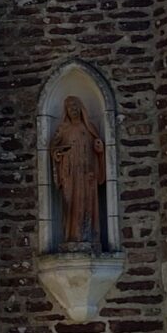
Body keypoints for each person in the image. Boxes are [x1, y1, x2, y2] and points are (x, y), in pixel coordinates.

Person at [49, 96, 106, 249]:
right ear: (66, 111)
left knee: (87, 205)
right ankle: (71, 237)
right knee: (70, 204)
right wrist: (59, 153)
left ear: (81, 108)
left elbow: (98, 149)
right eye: (69, 107)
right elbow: (53, 150)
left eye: (75, 106)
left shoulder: (90, 128)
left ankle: (88, 237)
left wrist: (99, 150)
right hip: (69, 174)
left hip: (87, 175)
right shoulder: (63, 129)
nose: (73, 110)